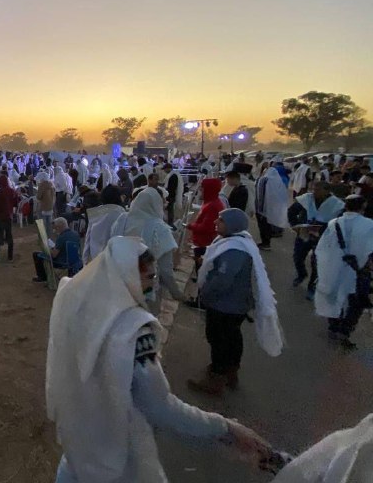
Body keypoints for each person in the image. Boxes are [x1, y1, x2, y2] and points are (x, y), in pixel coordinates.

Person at [47, 236, 273, 482]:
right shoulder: (134, 331)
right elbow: (161, 408)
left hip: (76, 451)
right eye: (149, 278)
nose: (153, 287)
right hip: (118, 463)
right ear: (127, 276)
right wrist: (225, 428)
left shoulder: (76, 307)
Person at [187, 209, 283, 395]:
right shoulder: (236, 241)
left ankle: (216, 377)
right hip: (235, 303)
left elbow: (223, 279)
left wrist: (205, 293)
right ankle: (230, 370)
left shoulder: (234, 250)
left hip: (225, 304)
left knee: (218, 338)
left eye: (221, 220)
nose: (216, 221)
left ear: (231, 225)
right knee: (232, 337)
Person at [314, 195, 373, 350]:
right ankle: (345, 331)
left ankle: (333, 326)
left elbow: (322, 249)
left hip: (336, 269)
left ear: (345, 206)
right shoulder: (369, 225)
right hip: (359, 271)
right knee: (357, 302)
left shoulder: (334, 223)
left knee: (334, 297)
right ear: (363, 206)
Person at [113, 188, 185, 302]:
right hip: (146, 288)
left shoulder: (122, 219)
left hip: (120, 284)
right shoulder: (160, 229)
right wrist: (176, 293)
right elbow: (166, 270)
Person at [288, 181, 345, 299]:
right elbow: (292, 211)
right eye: (313, 189)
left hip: (323, 236)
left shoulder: (337, 204)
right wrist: (296, 226)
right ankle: (302, 273)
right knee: (298, 256)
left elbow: (341, 222)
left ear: (327, 191)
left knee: (317, 262)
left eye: (318, 190)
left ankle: (312, 287)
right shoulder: (307, 199)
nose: (314, 193)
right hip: (305, 232)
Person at [187, 178, 224, 273]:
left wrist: (191, 226)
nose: (200, 191)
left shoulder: (212, 205)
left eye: (202, 189)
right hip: (203, 242)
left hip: (205, 244)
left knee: (203, 273)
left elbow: (207, 227)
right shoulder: (210, 202)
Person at [32, 218, 80, 283]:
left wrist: (48, 248)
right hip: (74, 261)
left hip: (62, 262)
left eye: (56, 228)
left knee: (36, 254)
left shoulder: (61, 237)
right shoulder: (76, 234)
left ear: (60, 226)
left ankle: (42, 277)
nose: (55, 230)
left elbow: (54, 255)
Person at [255, 163, 290, 250]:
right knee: (269, 224)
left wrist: (260, 209)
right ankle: (268, 240)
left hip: (262, 208)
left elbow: (261, 195)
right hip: (272, 207)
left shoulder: (264, 180)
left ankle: (266, 243)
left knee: (263, 226)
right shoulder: (277, 181)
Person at [0, 175, 20, 264]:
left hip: (0, 217)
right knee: (9, 236)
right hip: (9, 217)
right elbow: (16, 202)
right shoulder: (12, 191)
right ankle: (10, 257)